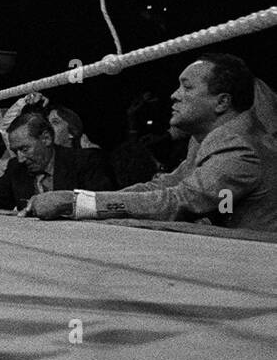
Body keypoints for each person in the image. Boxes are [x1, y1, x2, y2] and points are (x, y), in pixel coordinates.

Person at [28, 54, 277, 231]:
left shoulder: (239, 147)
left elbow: (178, 200)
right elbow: (165, 185)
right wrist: (83, 198)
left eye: (186, 87)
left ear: (222, 102)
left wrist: (77, 204)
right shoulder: (209, 138)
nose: (174, 95)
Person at [0, 114, 113, 211]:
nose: (20, 158)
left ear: (46, 138)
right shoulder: (16, 168)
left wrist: (57, 203)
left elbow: (105, 204)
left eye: (24, 149)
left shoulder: (87, 161)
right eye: (15, 151)